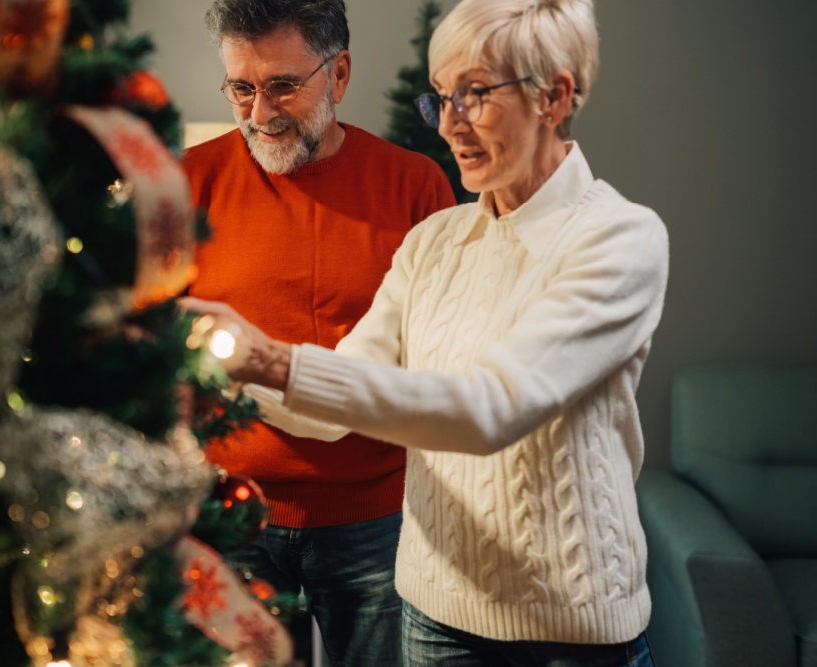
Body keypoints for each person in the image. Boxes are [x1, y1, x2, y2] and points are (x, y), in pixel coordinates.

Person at [183, 0, 668, 665]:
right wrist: (228, 360)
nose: (449, 124)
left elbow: (491, 408)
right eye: (441, 98)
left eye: (475, 96)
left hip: (568, 628)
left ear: (554, 98)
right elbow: (336, 401)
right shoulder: (434, 242)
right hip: (434, 611)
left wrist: (266, 359)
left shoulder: (620, 239)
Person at [182, 1, 456, 665]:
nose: (259, 113)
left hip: (377, 517)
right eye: (241, 89)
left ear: (339, 75)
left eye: (282, 86)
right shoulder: (188, 183)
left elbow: (441, 367)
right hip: (226, 513)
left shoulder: (414, 185)